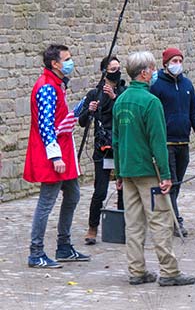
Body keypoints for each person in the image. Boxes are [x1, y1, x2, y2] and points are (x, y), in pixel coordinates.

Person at [112, 51, 195, 286]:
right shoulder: (151, 102)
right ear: (145, 72)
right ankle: (169, 271)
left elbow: (116, 140)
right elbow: (158, 141)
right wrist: (166, 175)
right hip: (148, 171)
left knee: (134, 223)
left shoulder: (121, 100)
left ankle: (136, 270)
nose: (154, 72)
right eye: (151, 68)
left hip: (128, 171)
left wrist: (118, 172)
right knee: (160, 220)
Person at [24, 44, 90, 268]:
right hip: (53, 154)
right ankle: (36, 252)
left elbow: (60, 118)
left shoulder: (56, 85)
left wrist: (84, 107)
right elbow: (46, 125)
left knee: (72, 195)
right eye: (67, 59)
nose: (70, 62)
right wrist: (55, 157)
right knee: (46, 202)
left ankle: (64, 246)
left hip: (62, 151)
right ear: (55, 64)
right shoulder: (46, 88)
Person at [150, 47, 195, 237]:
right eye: (174, 61)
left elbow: (193, 113)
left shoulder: (187, 86)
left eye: (179, 61)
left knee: (178, 183)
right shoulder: (157, 85)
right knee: (172, 181)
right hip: (166, 143)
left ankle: (168, 215)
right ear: (166, 64)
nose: (177, 65)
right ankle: (176, 222)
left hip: (183, 142)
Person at [78, 55, 126, 245]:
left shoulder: (124, 91)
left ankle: (123, 227)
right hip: (102, 147)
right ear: (105, 72)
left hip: (120, 145)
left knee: (124, 189)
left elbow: (124, 114)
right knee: (100, 190)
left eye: (118, 68)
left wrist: (115, 98)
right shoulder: (94, 94)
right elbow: (82, 122)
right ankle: (92, 227)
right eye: (113, 69)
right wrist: (90, 110)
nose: (117, 72)